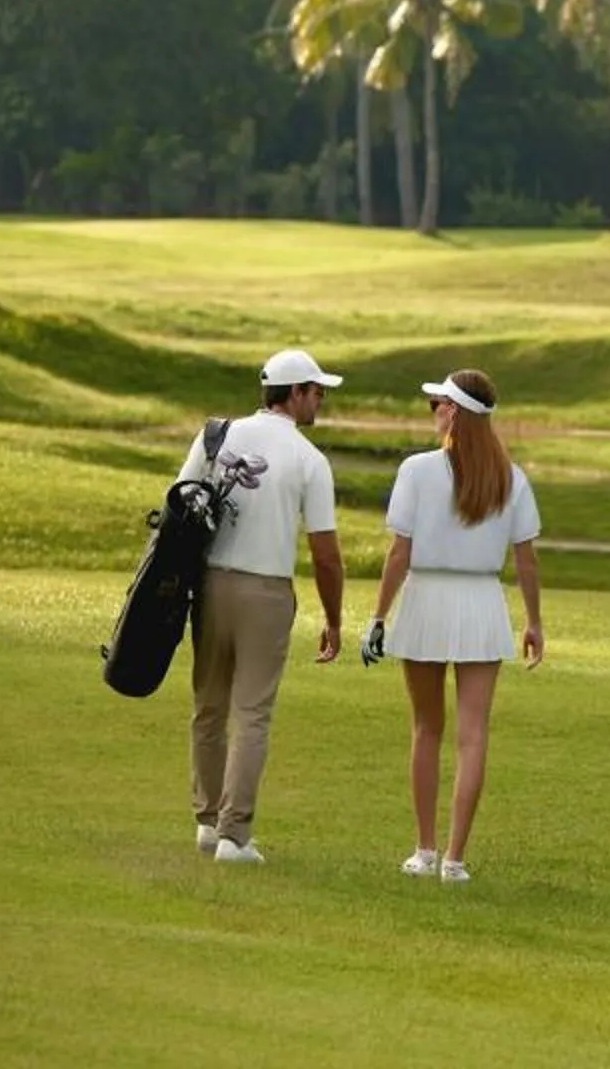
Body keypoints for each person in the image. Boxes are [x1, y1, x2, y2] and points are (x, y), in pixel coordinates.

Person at [361, 368, 544, 883]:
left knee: (427, 728)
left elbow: (401, 552)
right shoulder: (510, 476)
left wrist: (378, 616)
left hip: (428, 599)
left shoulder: (418, 471)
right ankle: (454, 859)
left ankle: (425, 851)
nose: (434, 411)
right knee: (472, 735)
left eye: (438, 403)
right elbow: (526, 560)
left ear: (453, 413)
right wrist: (533, 621)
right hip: (481, 603)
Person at [183, 347, 345, 866]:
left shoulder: (218, 434)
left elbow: (181, 499)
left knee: (208, 707)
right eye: (316, 391)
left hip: (210, 585)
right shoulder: (308, 459)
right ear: (294, 393)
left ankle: (208, 824)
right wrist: (334, 618)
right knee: (251, 713)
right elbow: (325, 554)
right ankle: (234, 836)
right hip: (267, 592)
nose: (320, 400)